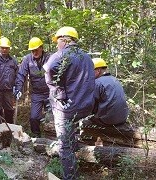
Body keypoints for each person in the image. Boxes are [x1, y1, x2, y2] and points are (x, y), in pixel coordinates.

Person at [43, 26, 95, 180]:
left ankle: (70, 176)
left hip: (66, 108)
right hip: (84, 107)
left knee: (64, 146)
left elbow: (50, 68)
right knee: (72, 138)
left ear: (64, 40)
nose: (57, 45)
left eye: (58, 41)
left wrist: (59, 92)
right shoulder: (86, 57)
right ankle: (75, 166)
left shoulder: (62, 54)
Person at [14, 37, 50, 137]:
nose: (34, 52)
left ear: (41, 48)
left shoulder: (49, 58)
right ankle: (36, 136)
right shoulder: (27, 59)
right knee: (34, 117)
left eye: (36, 50)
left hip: (50, 93)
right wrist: (18, 88)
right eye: (32, 50)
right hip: (37, 93)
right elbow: (21, 74)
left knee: (51, 117)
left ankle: (51, 136)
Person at [88, 58, 129, 126]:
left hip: (107, 121)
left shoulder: (97, 83)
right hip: (123, 118)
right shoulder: (115, 79)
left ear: (98, 70)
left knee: (84, 120)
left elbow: (91, 105)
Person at [0, 37, 18, 123]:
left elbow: (17, 75)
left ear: (9, 49)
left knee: (9, 110)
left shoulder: (13, 61)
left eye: (6, 48)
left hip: (9, 90)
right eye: (2, 47)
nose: (4, 50)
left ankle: (10, 128)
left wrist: (17, 87)